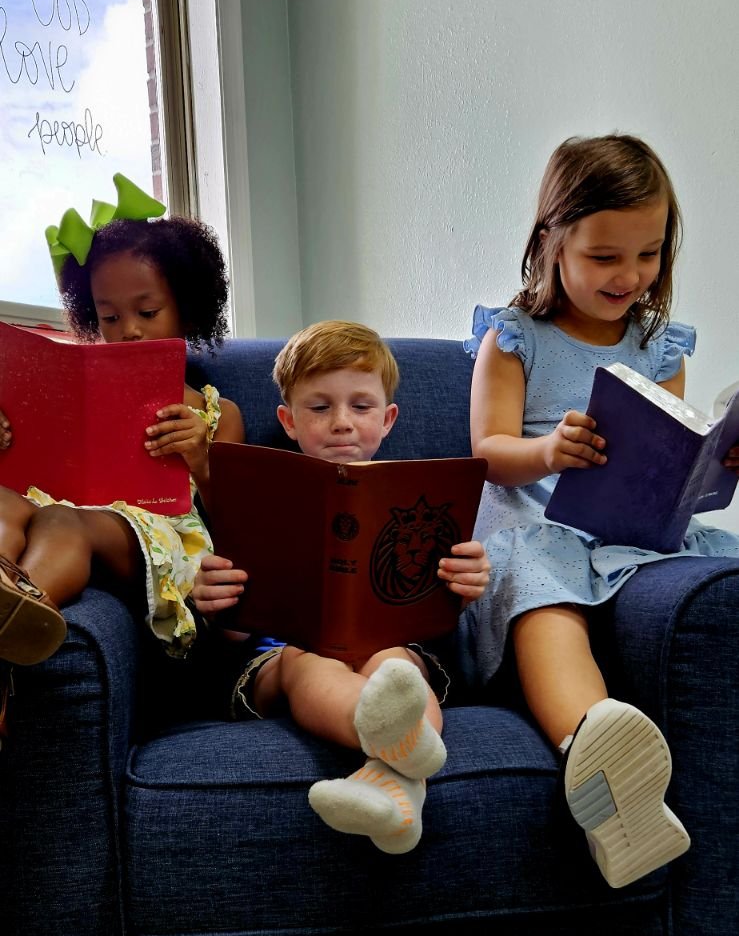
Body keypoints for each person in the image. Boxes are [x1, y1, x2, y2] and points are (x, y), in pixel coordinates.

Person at [465, 132, 739, 888]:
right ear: (550, 242)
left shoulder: (660, 347)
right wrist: (548, 450)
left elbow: (665, 448)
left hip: (623, 528)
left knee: (721, 561)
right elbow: (485, 450)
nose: (629, 276)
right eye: (604, 257)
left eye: (647, 255)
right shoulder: (515, 338)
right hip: (535, 519)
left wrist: (709, 462)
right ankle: (595, 752)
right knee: (540, 582)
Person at [193, 320, 489, 855]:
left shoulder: (421, 499)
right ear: (288, 419)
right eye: (320, 407)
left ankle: (395, 793)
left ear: (388, 418)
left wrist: (464, 584)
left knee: (396, 664)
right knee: (311, 661)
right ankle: (403, 745)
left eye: (361, 405)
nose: (342, 424)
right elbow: (232, 633)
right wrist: (216, 603)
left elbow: (442, 613)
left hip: (388, 645)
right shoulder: (257, 497)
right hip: (278, 656)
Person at [0, 175, 244, 737]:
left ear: (186, 308)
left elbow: (238, 517)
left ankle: (17, 614)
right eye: (109, 318)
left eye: (147, 311)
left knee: (63, 521)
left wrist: (202, 458)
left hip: (161, 537)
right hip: (61, 509)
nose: (127, 330)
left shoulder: (214, 411)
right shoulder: (76, 387)